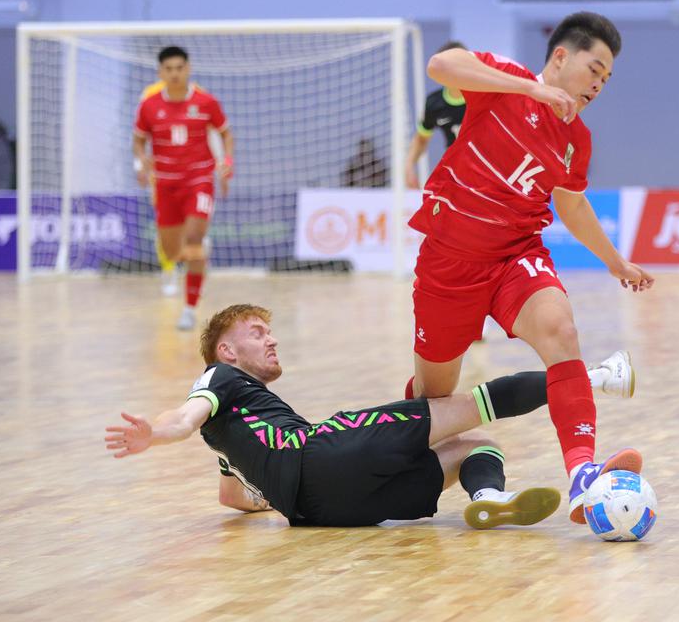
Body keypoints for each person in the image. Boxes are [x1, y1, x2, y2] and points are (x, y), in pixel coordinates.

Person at [405, 11, 655, 524]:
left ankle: (583, 476)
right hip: (450, 261)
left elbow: (572, 206)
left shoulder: (577, 140)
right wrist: (531, 90)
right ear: (561, 57)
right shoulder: (503, 83)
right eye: (595, 69)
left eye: (607, 79)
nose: (599, 84)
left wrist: (614, 262)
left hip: (517, 253)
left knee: (560, 329)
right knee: (433, 398)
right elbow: (441, 64)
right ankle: (400, 453)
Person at [105, 303, 577, 528]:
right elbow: (185, 417)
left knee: (476, 450)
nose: (271, 339)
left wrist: (270, 497)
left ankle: (489, 497)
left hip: (323, 513)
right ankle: (590, 378)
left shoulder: (233, 434)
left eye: (270, 332)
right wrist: (158, 433)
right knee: (470, 407)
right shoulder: (218, 378)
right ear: (226, 351)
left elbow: (232, 495)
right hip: (323, 453)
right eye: (257, 333)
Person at [133, 46, 234, 331]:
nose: (175, 73)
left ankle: (189, 309)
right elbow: (138, 140)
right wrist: (141, 162)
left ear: (188, 69)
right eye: (169, 69)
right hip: (165, 184)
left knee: (192, 240)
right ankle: (198, 252)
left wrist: (226, 162)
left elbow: (226, 134)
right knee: (173, 251)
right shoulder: (149, 106)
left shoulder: (205, 102)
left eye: (180, 68)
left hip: (198, 180)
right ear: (160, 73)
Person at [403, 40, 469, 190]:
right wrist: (409, 165)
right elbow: (421, 139)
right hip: (455, 172)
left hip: (487, 170)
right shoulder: (434, 103)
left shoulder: (484, 96)